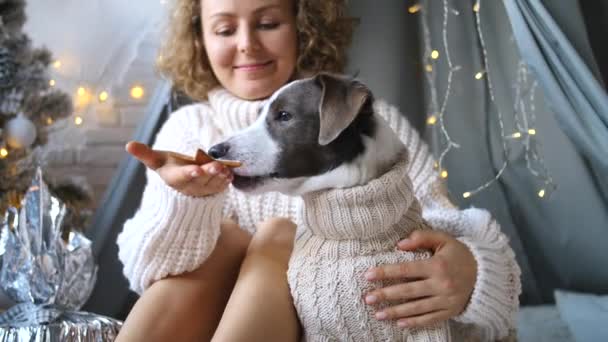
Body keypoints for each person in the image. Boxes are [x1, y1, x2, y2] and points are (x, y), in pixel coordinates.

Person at [115, 0, 521, 341]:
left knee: (276, 235)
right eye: (224, 30)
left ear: (302, 27)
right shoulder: (189, 130)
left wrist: (472, 269)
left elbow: (435, 223)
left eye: (269, 23)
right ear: (200, 39)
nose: (247, 44)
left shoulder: (372, 123)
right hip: (205, 319)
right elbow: (143, 272)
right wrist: (188, 200)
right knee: (227, 240)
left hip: (326, 313)